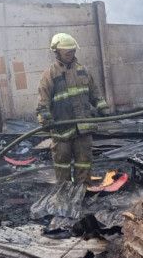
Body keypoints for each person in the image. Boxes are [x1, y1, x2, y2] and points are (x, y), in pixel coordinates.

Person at [36, 33, 109, 185]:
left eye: (73, 51)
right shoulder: (49, 75)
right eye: (67, 51)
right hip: (62, 129)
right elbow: (43, 103)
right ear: (57, 52)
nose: (71, 54)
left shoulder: (83, 71)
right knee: (62, 164)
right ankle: (65, 194)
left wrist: (103, 108)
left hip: (83, 127)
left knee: (84, 162)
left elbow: (95, 94)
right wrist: (46, 119)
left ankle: (83, 192)